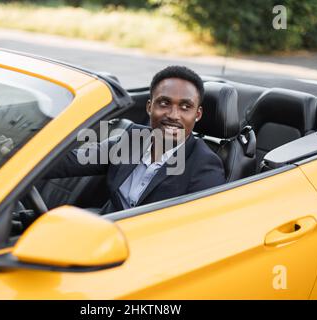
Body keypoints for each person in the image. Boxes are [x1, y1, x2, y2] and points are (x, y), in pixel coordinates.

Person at [47, 65, 225, 213]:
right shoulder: (132, 139)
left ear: (198, 114)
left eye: (186, 107)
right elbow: (68, 161)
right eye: (164, 103)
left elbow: (197, 226)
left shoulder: (205, 166)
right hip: (104, 233)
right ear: (149, 107)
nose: (173, 115)